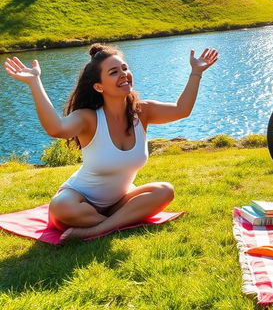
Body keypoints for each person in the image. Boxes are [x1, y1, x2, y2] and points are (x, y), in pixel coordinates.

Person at [4, 43, 218, 242]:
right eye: (114, 72)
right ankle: (117, 223)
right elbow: (56, 129)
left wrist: (196, 72)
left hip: (119, 202)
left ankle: (96, 230)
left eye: (124, 68)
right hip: (80, 200)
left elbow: (182, 110)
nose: (124, 74)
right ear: (99, 87)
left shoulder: (142, 112)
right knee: (61, 208)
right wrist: (34, 82)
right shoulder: (88, 118)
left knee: (165, 190)